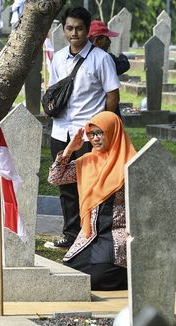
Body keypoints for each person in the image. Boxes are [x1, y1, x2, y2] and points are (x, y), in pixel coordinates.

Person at [45, 7, 120, 249]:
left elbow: (112, 95)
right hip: (60, 132)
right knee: (65, 186)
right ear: (63, 30)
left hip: (88, 134)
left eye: (78, 28)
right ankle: (70, 234)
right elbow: (54, 91)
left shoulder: (101, 59)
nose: (73, 33)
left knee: (90, 185)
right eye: (69, 28)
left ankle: (92, 234)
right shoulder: (57, 58)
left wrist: (102, 128)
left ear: (87, 30)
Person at [48, 111, 136, 290]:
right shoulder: (87, 161)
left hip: (117, 233)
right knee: (72, 272)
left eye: (100, 133)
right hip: (91, 233)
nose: (95, 138)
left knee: (97, 278)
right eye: (92, 134)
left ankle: (131, 276)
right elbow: (55, 178)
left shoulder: (132, 163)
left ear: (113, 132)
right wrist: (69, 150)